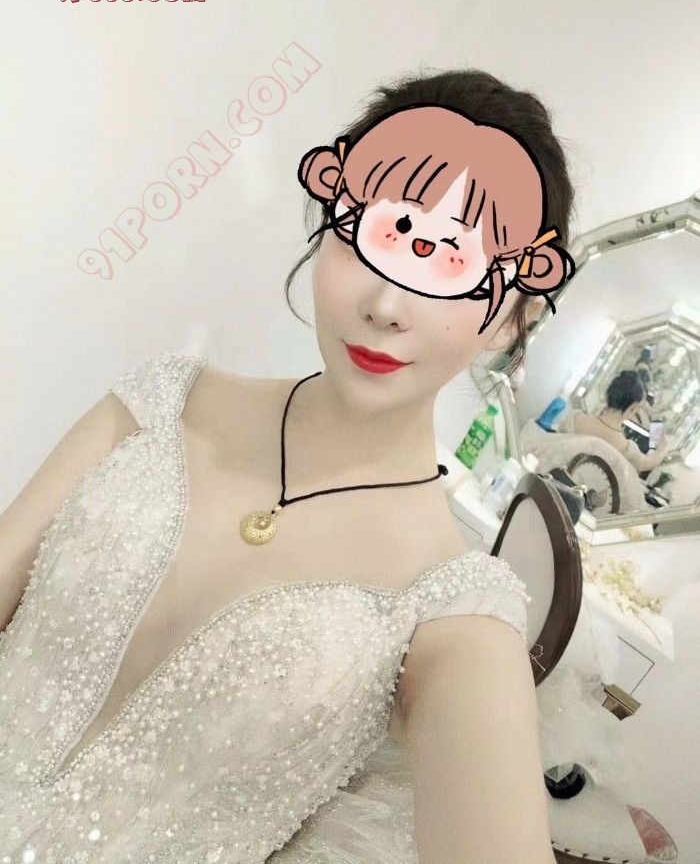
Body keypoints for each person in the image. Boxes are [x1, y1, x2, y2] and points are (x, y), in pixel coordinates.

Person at [0, 69, 576, 862]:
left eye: (451, 263)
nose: (386, 306)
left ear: (513, 318)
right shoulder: (156, 405)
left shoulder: (452, 611)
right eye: (379, 233)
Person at [569, 369, 668, 474]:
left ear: (608, 394)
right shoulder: (624, 447)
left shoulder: (575, 419)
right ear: (634, 407)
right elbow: (647, 463)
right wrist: (662, 448)